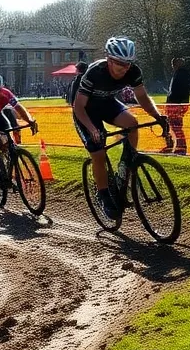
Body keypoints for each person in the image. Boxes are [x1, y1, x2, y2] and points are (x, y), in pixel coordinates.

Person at [72, 37, 167, 221]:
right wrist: (92, 129)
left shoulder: (133, 71)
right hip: (85, 111)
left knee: (132, 123)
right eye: (120, 64)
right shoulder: (95, 72)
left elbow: (142, 97)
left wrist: (157, 116)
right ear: (109, 59)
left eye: (128, 64)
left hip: (108, 104)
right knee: (98, 152)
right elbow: (79, 107)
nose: (125, 68)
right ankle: (103, 195)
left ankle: (126, 165)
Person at [0, 73, 38, 184]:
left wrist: (30, 120)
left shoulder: (6, 93)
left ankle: (8, 168)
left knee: (8, 144)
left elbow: (19, 107)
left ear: (2, 88)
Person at [163, 57, 190, 155]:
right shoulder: (184, 74)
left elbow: (176, 91)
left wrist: (170, 102)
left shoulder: (181, 74)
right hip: (179, 103)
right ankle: (180, 146)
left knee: (176, 126)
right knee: (176, 126)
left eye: (173, 64)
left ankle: (181, 147)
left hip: (176, 104)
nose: (173, 67)